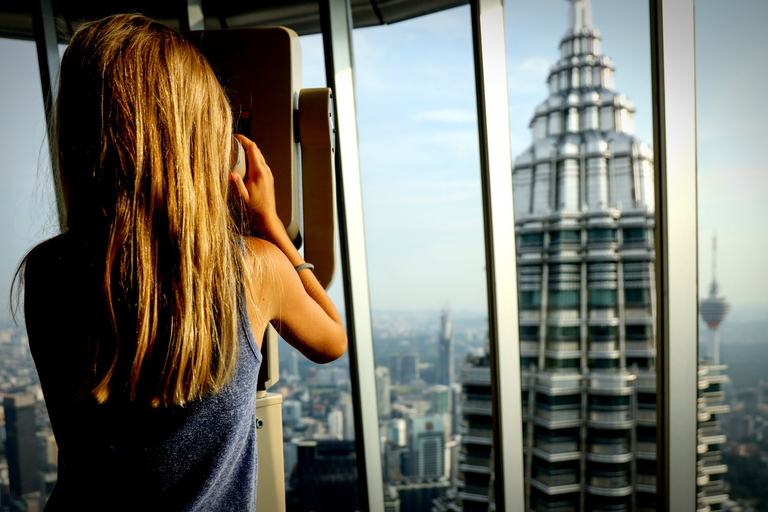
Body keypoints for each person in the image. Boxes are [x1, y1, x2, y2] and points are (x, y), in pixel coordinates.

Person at [16, 14, 347, 511]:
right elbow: (333, 340)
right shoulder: (255, 271)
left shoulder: (47, 271)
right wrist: (270, 225)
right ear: (202, 141)